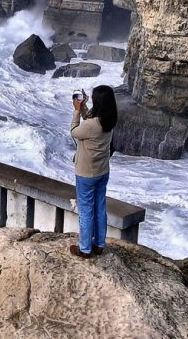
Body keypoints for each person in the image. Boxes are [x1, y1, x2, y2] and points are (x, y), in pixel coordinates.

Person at [69, 85, 118, 259]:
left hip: (86, 174)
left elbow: (75, 131)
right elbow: (91, 119)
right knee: (99, 207)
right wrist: (83, 107)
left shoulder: (91, 125)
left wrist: (76, 111)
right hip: (102, 171)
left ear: (99, 103)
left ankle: (85, 249)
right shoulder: (109, 119)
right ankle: (99, 245)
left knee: (86, 210)